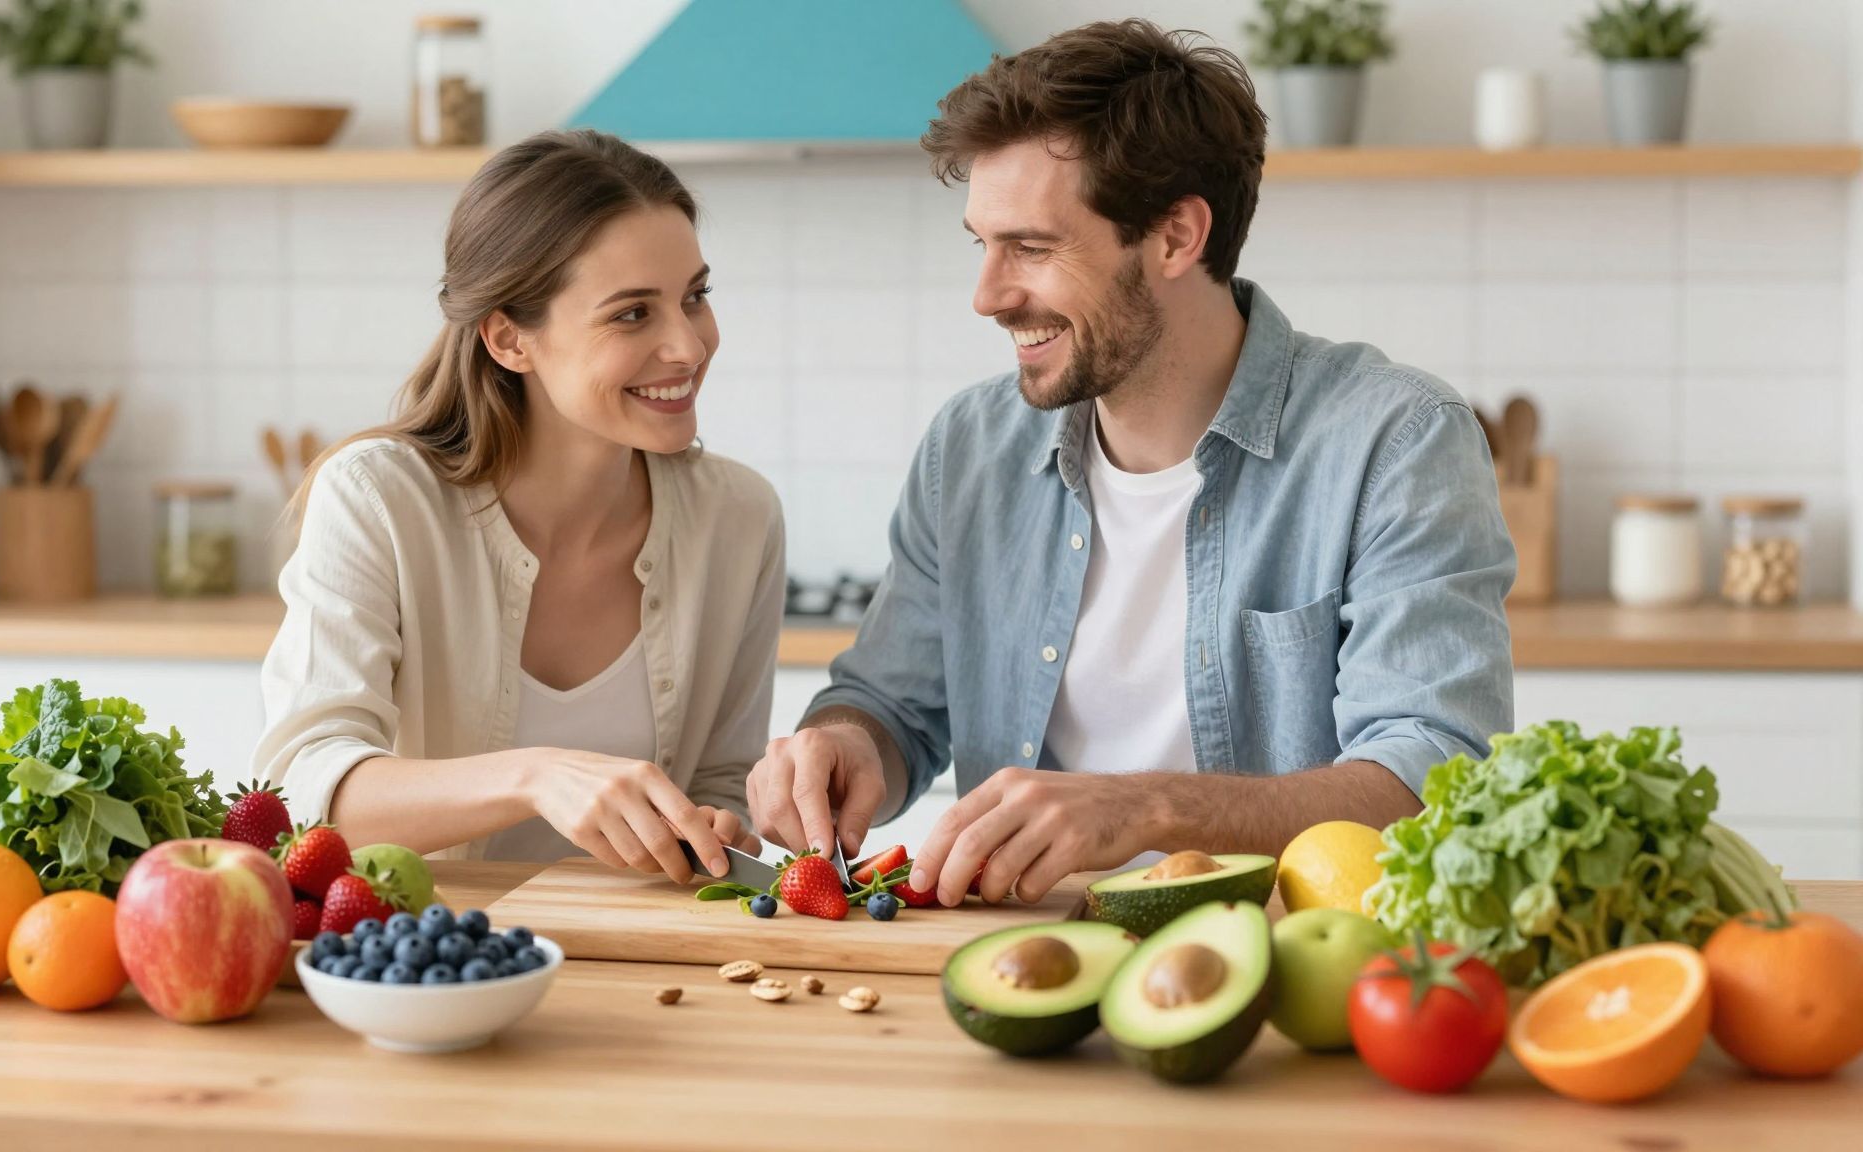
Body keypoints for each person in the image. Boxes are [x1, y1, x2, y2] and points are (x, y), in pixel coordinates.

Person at [745, 19, 1514, 906]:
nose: (988, 295)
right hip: (1018, 964)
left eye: (1031, 248)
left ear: (1177, 237)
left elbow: (1434, 785)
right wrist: (844, 743)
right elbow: (892, 706)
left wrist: (1141, 808)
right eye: (981, 245)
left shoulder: (1395, 441)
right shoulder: (971, 447)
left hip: (1283, 969)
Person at [256, 130, 780, 882]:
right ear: (509, 340)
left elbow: (724, 784)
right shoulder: (378, 498)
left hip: (645, 968)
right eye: (633, 314)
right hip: (430, 965)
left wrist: (717, 822)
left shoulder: (740, 518)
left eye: (693, 297)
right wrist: (538, 776)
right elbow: (303, 789)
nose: (689, 347)